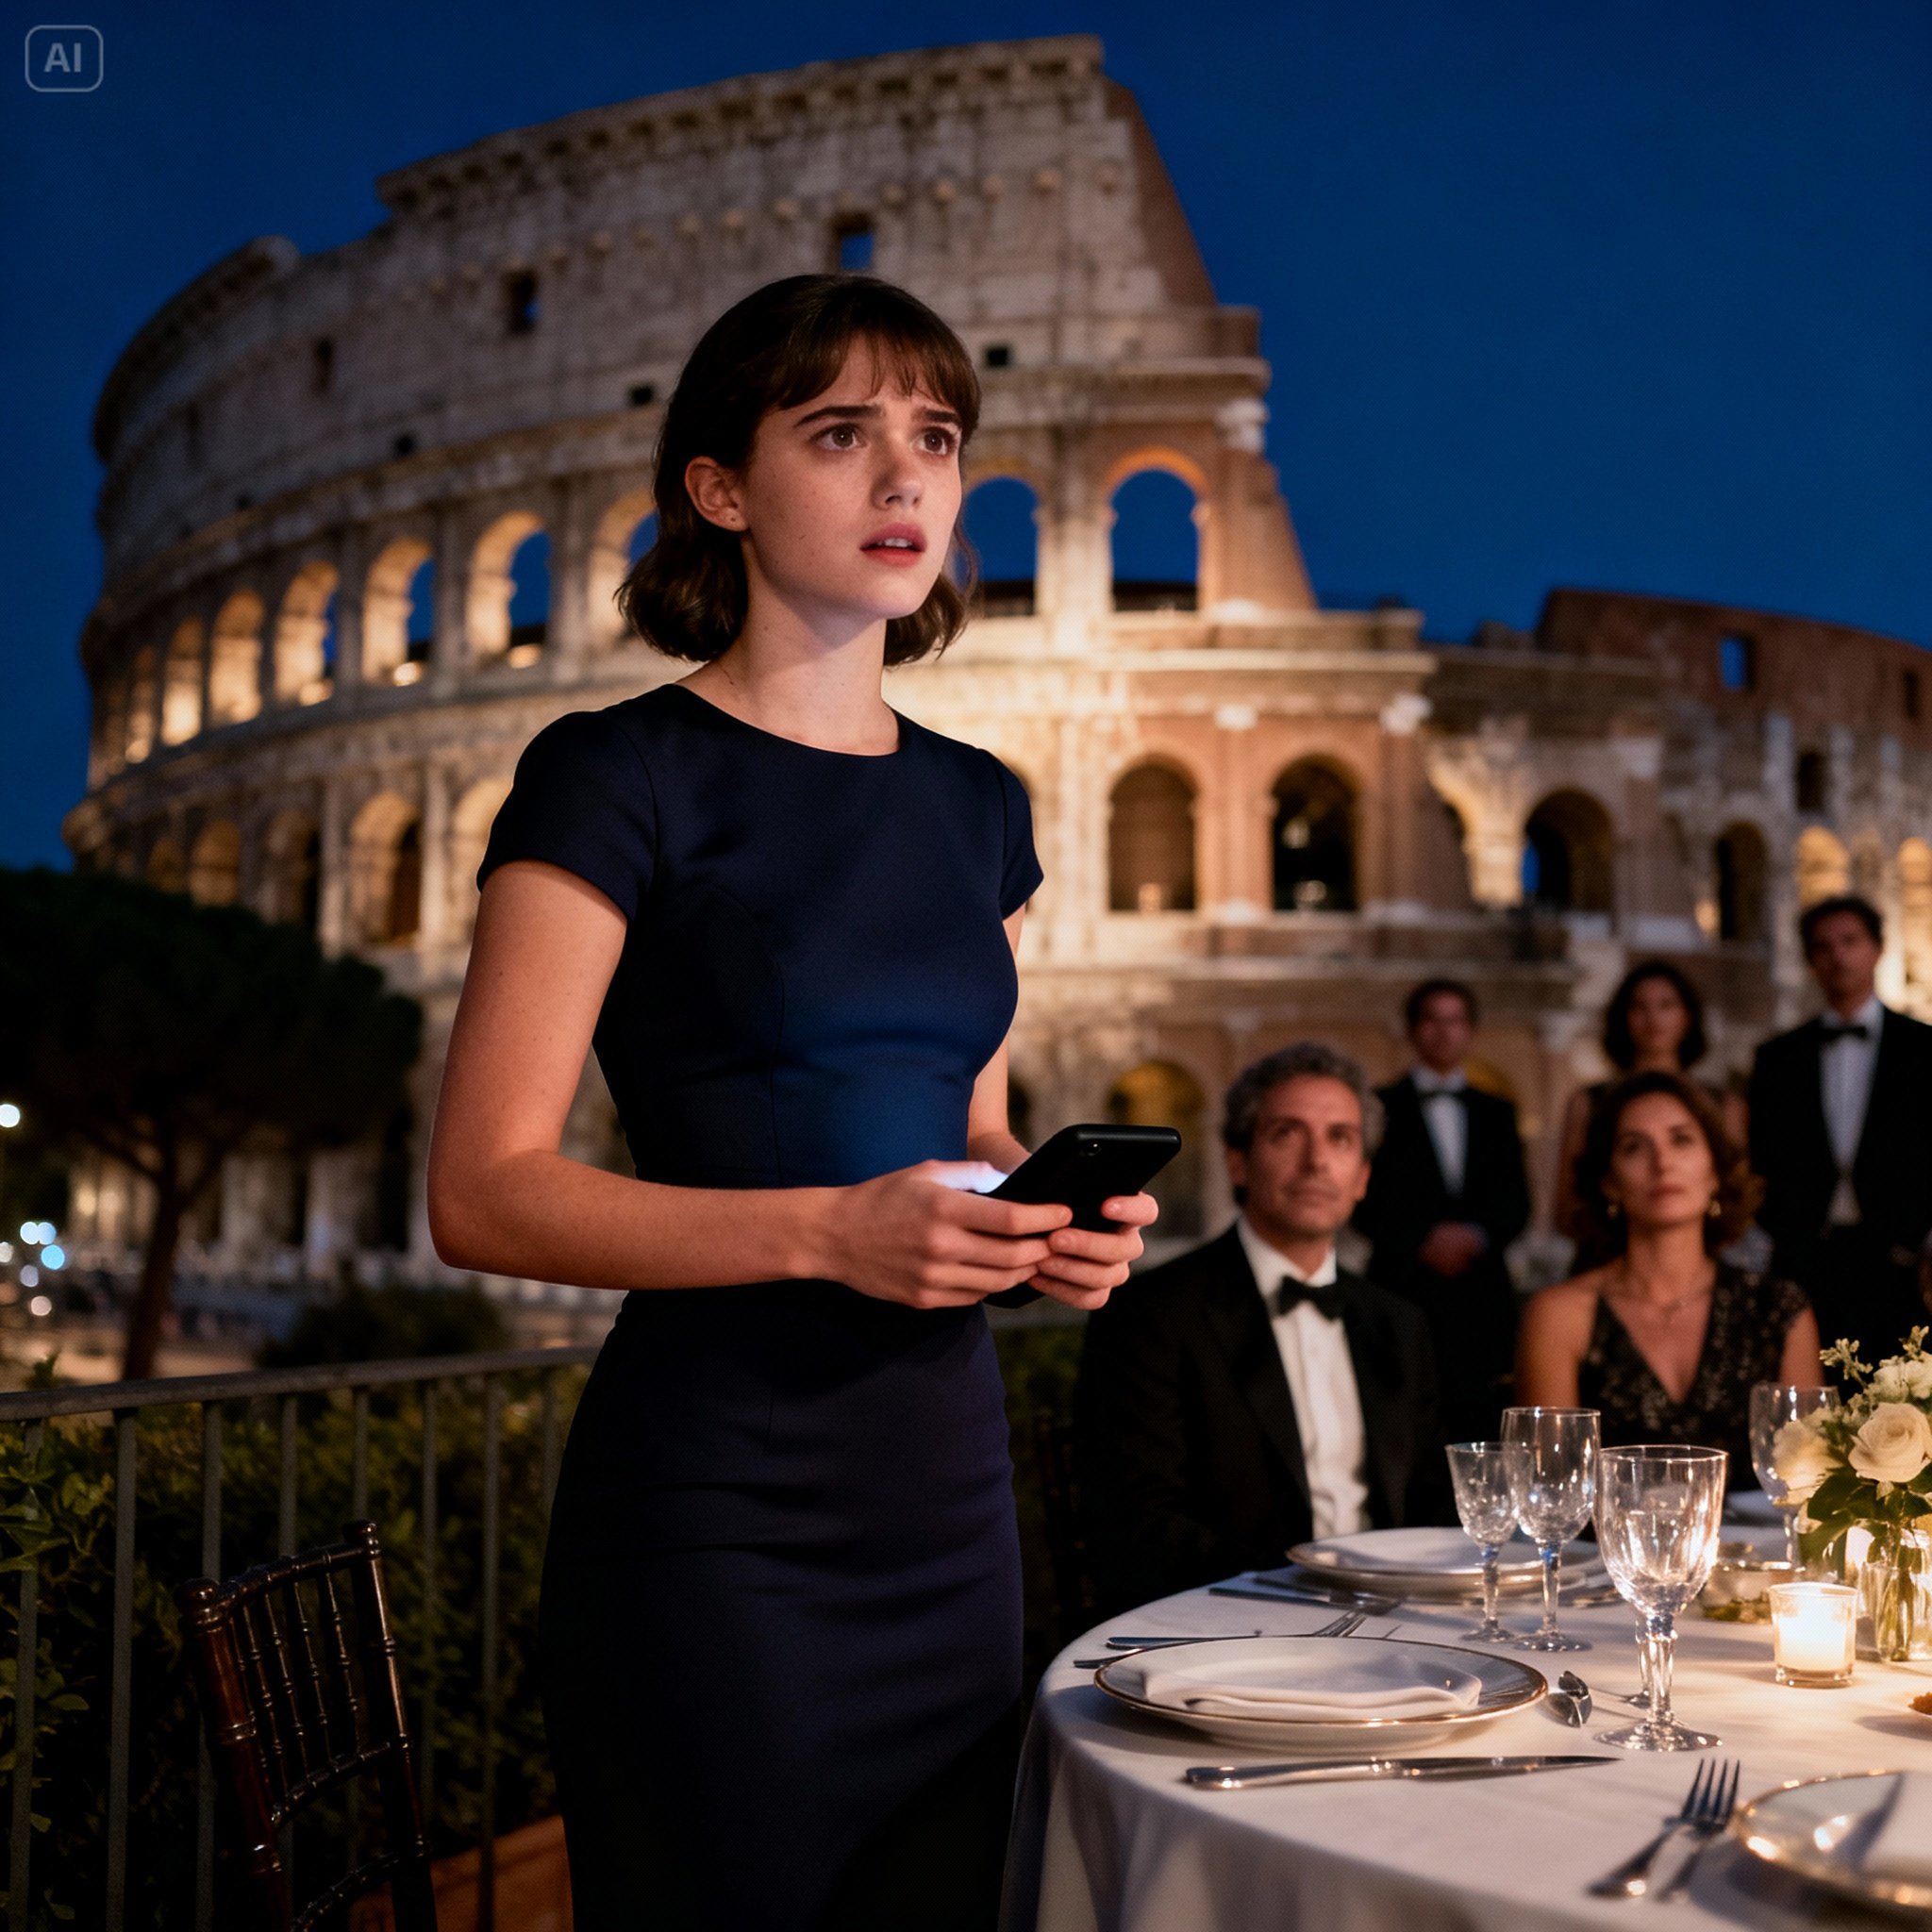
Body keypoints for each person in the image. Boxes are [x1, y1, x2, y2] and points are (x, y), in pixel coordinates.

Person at [426, 275, 1157, 1931]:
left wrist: (1048, 1218)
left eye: (936, 438)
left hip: (949, 1501)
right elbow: (482, 1189)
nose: (905, 477)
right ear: (721, 488)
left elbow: (969, 1134)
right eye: (839, 435)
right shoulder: (612, 772)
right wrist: (834, 1232)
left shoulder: (981, 807)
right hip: (717, 1514)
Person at [1074, 1042, 1447, 1617]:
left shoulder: (1399, 1323)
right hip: (1230, 1625)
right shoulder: (1150, 1313)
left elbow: (1431, 1504)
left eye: (1340, 1138)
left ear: (1363, 1177)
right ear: (1238, 1162)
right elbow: (1137, 1523)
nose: (1316, 1161)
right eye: (1287, 1134)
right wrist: (1305, 1598)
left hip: (1400, 1621)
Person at [1517, 1070, 1820, 1489]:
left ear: (1715, 1171)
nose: (1662, 1162)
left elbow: (1811, 1488)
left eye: (1681, 1139)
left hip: (1762, 1534)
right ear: (1609, 1182)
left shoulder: (1778, 1308)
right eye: (1634, 1147)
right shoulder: (1559, 1314)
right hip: (1599, 1536)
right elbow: (1552, 1493)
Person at [1747, 894, 1932, 1368]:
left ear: (1878, 947)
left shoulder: (1924, 1047)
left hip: (1899, 1261)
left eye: (1850, 941)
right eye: (1823, 947)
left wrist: (1916, 1237)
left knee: (1902, 1395)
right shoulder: (1778, 1057)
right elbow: (1762, 1157)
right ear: (1810, 961)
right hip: (1804, 1261)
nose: (1838, 956)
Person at [1354, 979, 1531, 1443]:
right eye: (1432, 1020)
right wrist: (1420, 1241)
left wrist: (1476, 1237)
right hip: (1401, 1289)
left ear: (1470, 1030)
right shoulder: (1376, 1107)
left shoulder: (1498, 1111)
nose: (1444, 1031)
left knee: (1485, 1425)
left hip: (1481, 1298)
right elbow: (1360, 1198)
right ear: (1412, 1029)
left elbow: (1517, 1201)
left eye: (1455, 1020)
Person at [1552, 959, 1745, 1263]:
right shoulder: (1588, 1102)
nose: (1653, 1018)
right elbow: (1565, 1208)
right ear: (1623, 1019)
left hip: (1696, 1260)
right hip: (1606, 1259)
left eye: (1666, 1005)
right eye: (1639, 1007)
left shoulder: (1723, 1106)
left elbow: (1737, 1199)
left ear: (1687, 1016)